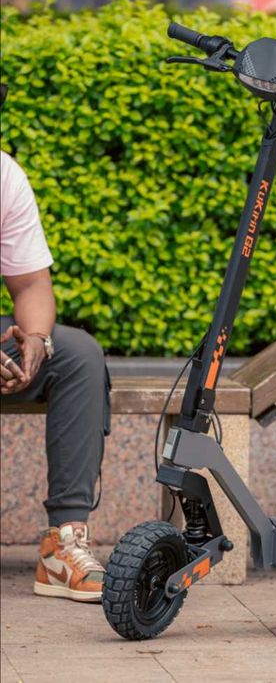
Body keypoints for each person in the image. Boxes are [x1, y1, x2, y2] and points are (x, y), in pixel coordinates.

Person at [1, 82, 111, 602]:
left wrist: (37, 341)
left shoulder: (4, 176)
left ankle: (63, 545)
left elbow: (30, 285)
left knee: (78, 355)